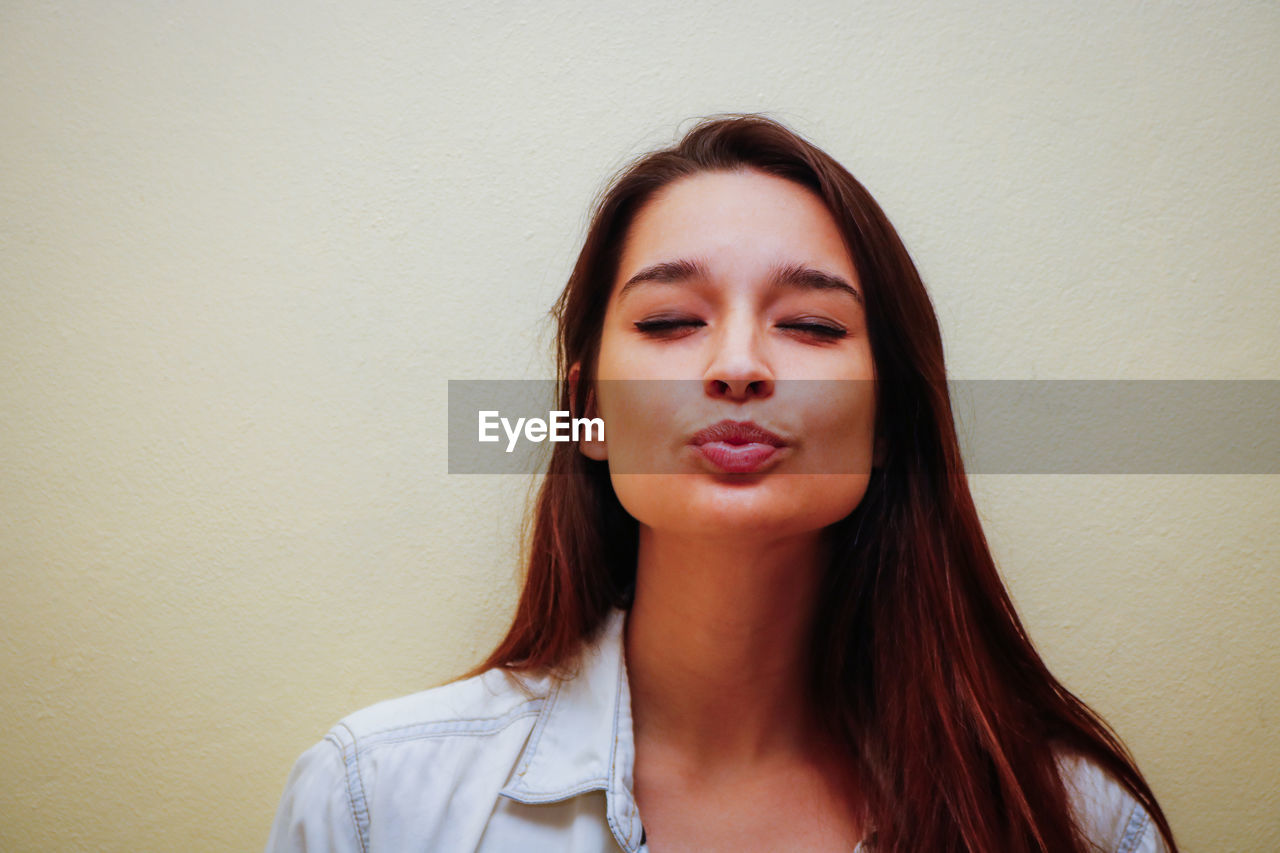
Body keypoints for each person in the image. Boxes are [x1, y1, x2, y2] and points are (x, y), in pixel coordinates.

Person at [266, 114, 1179, 852]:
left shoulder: (1079, 826)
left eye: (813, 327)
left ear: (891, 417)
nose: (737, 366)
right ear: (587, 413)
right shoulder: (372, 804)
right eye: (668, 321)